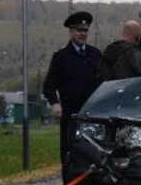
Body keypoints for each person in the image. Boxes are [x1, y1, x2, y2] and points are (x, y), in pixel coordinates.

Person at [42, 11, 102, 175]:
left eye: (85, 30)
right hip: (71, 111)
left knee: (94, 151)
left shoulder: (95, 54)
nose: (83, 34)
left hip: (92, 112)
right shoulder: (61, 56)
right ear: (71, 32)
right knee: (69, 152)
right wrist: (55, 103)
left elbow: (103, 81)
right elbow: (49, 85)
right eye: (79, 30)